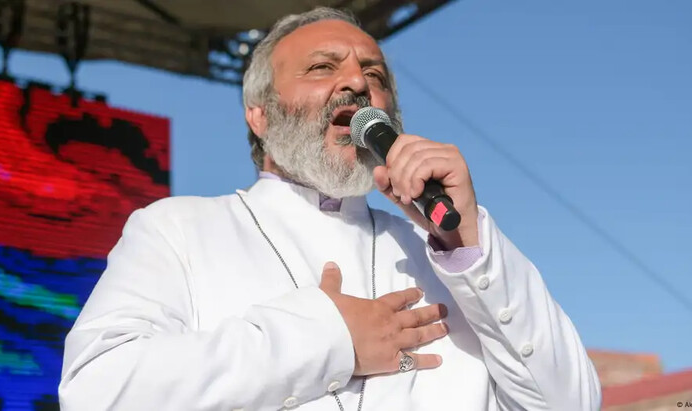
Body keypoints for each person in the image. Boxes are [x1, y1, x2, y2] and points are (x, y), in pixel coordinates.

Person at [59, 7, 601, 411]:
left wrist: (469, 247)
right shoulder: (178, 230)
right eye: (322, 67)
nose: (358, 83)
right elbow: (96, 392)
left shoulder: (443, 253)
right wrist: (327, 341)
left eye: (376, 75)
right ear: (260, 115)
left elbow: (571, 403)